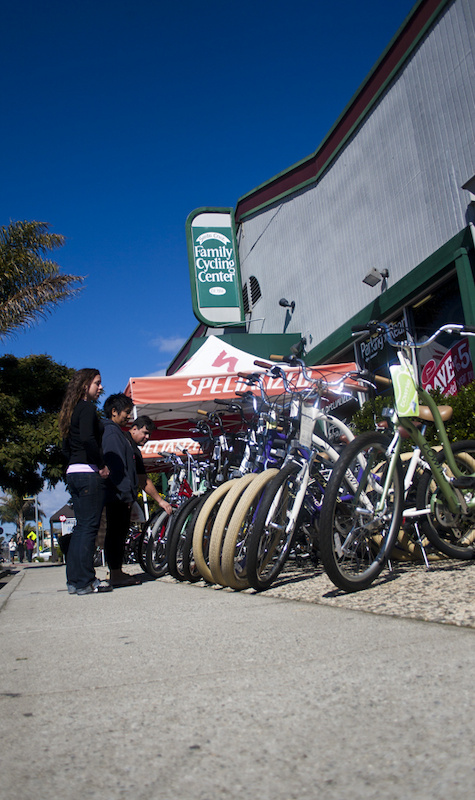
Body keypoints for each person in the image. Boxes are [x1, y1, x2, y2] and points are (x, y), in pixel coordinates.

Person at [58, 368, 112, 595]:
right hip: (88, 472)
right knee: (89, 527)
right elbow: (89, 439)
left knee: (81, 527)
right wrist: (101, 465)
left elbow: (65, 446)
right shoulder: (88, 408)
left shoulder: (70, 412)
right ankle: (86, 581)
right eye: (97, 383)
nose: (100, 387)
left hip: (73, 472)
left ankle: (75, 580)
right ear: (85, 385)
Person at [102, 393, 141, 587]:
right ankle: (116, 573)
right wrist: (125, 495)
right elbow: (117, 468)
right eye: (126, 412)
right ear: (114, 411)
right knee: (116, 533)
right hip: (117, 494)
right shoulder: (112, 433)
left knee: (118, 532)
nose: (129, 416)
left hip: (119, 493)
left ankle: (116, 571)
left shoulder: (116, 432)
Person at [126, 416, 173, 517]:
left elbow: (143, 479)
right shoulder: (123, 442)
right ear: (134, 429)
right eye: (145, 433)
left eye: (149, 434)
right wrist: (160, 501)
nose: (147, 437)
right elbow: (143, 480)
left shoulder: (134, 449)